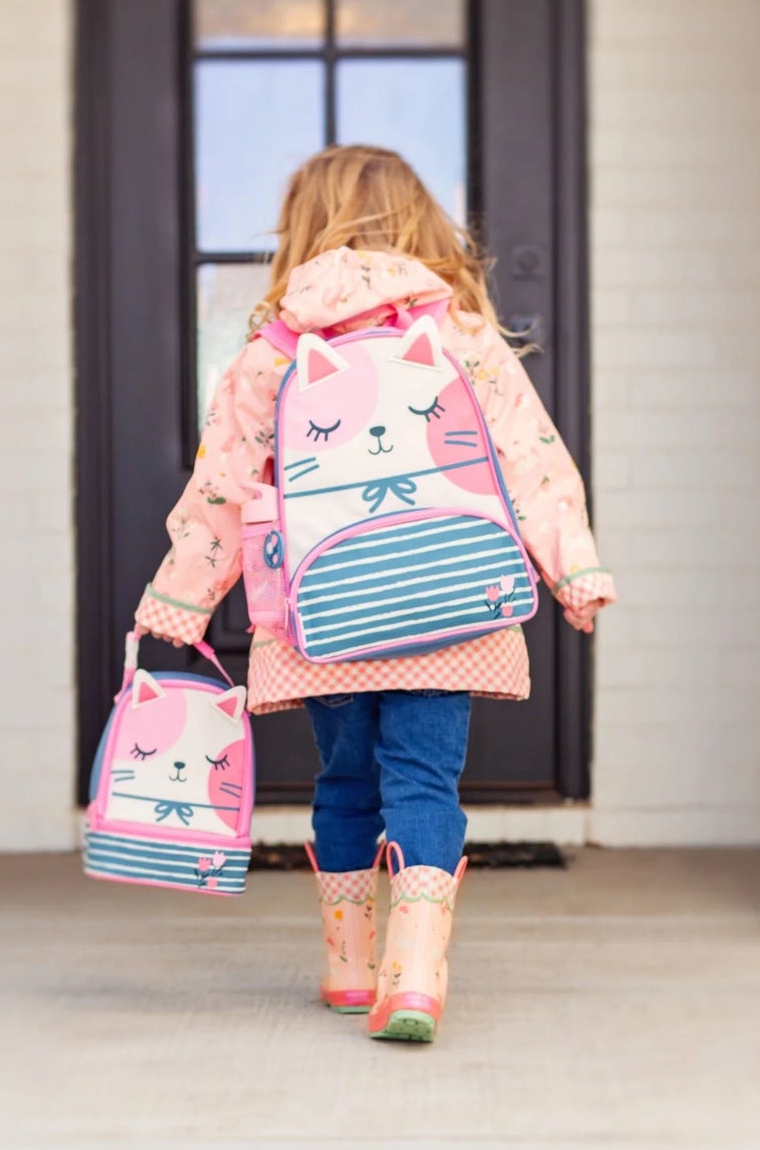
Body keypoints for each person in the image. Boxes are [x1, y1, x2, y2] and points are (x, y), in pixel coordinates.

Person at [134, 145, 615, 1043]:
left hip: (322, 614)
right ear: (422, 224)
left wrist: (183, 594)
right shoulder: (460, 331)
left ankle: (349, 968)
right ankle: (417, 977)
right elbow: (531, 456)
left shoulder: (276, 345)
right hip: (448, 602)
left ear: (303, 229)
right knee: (424, 778)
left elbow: (223, 485)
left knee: (345, 778)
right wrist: (573, 565)